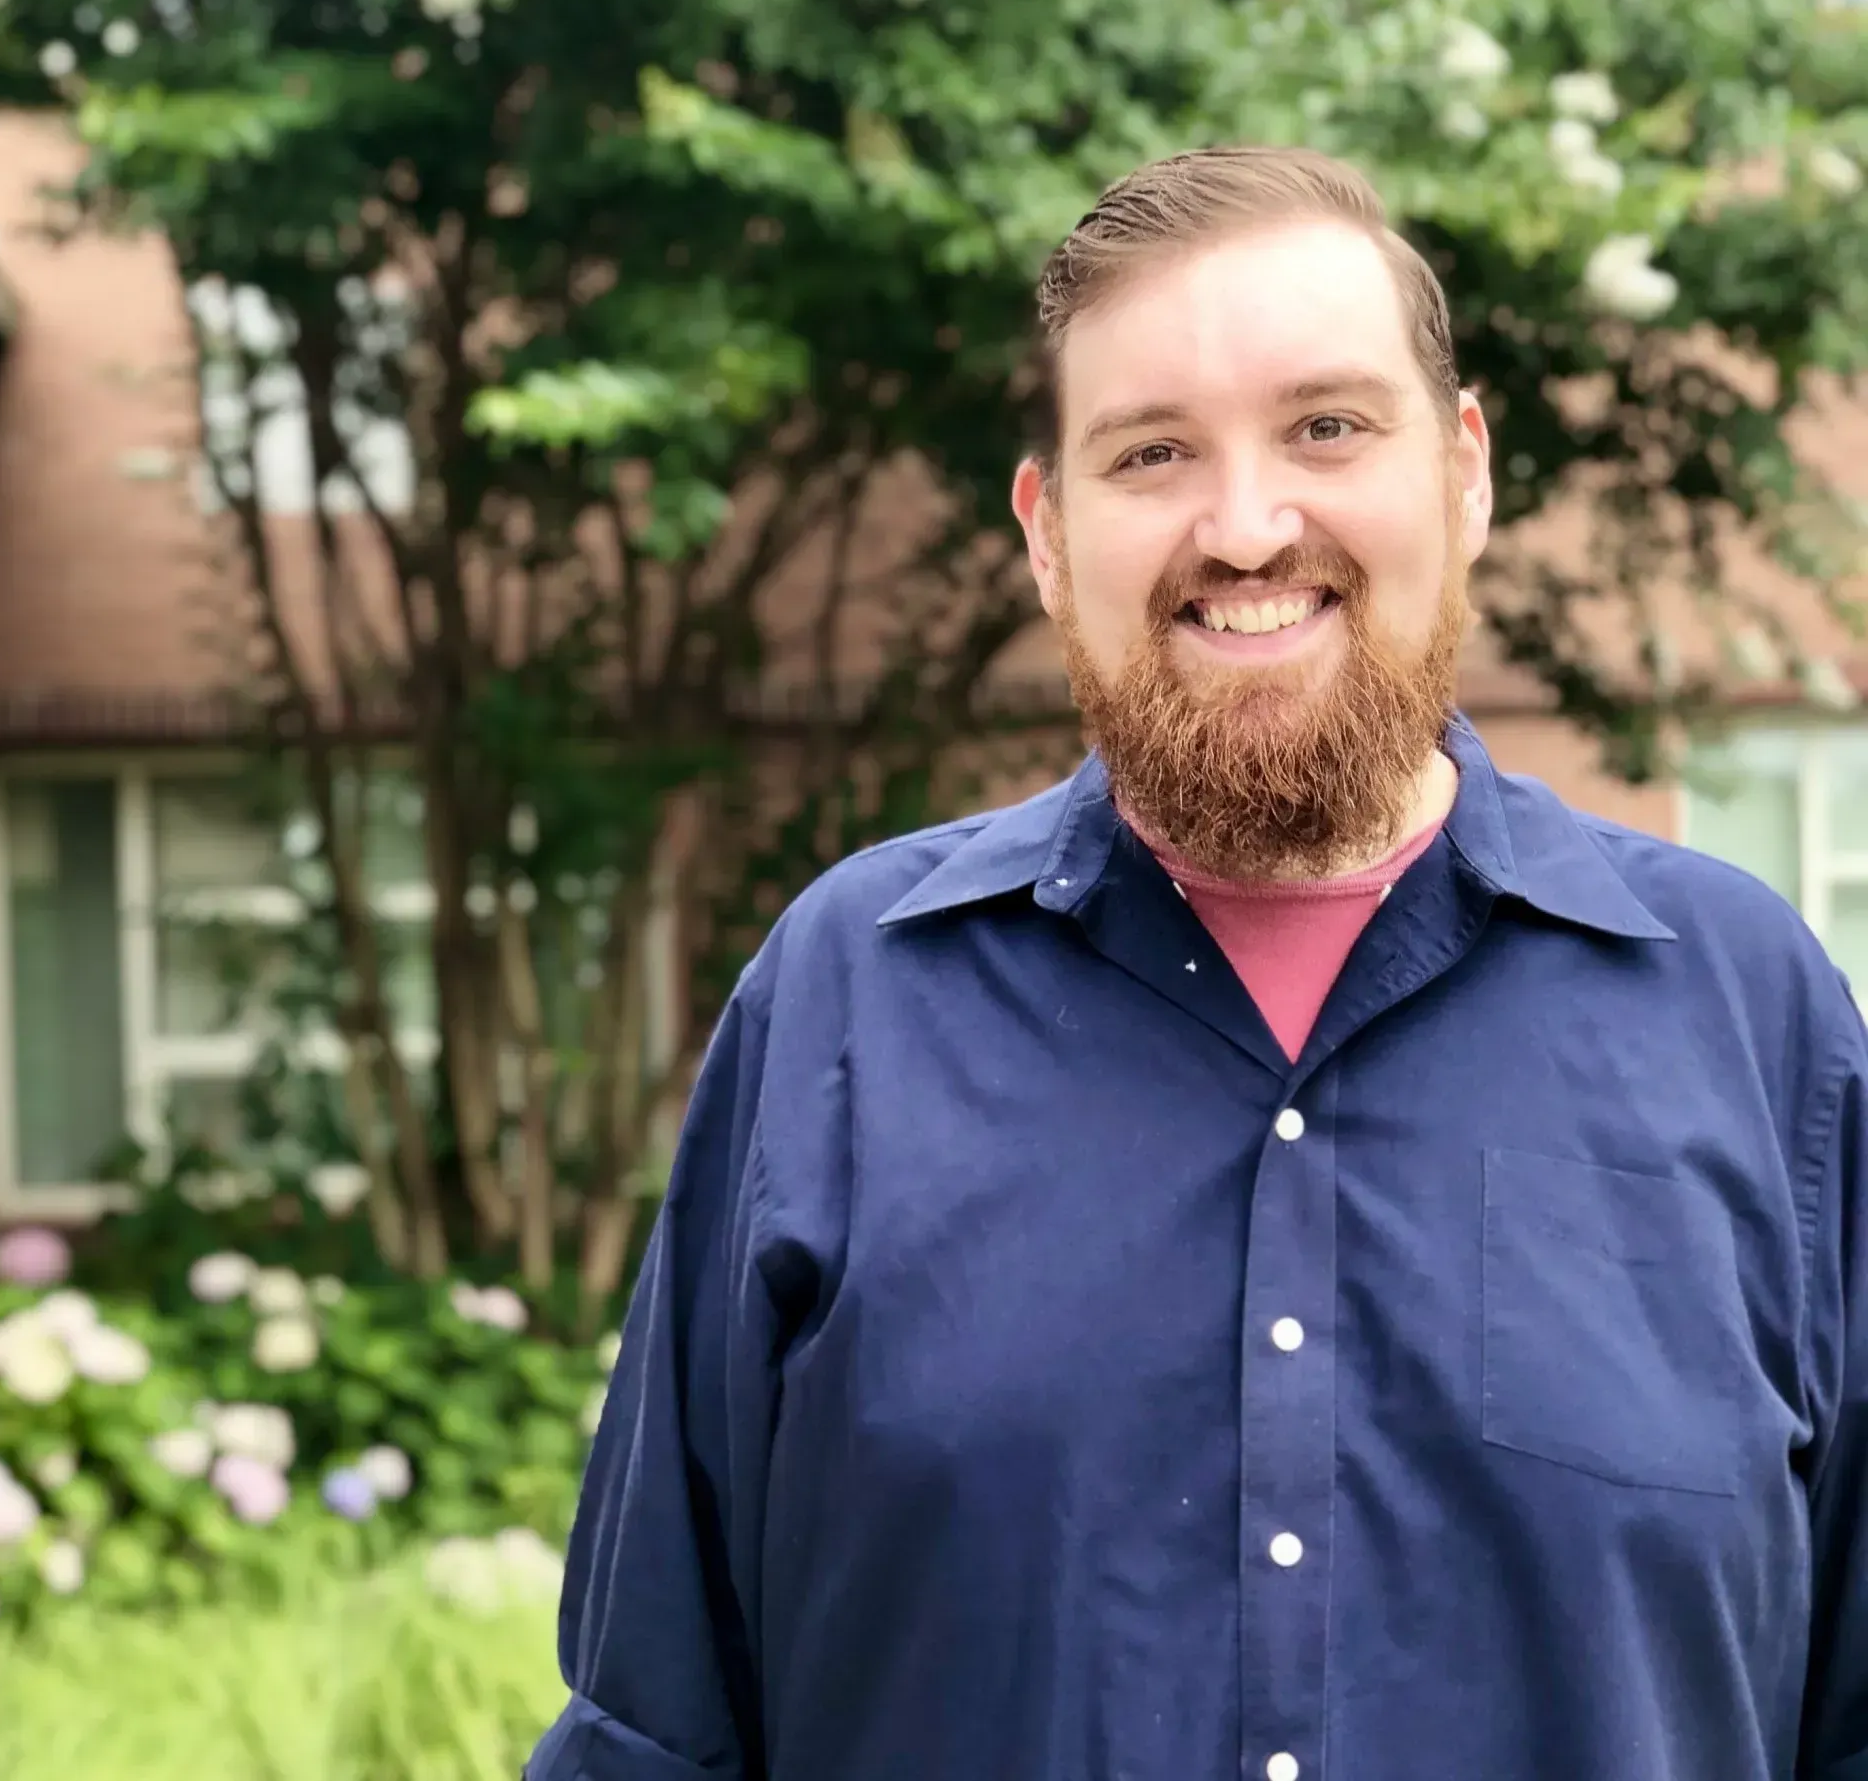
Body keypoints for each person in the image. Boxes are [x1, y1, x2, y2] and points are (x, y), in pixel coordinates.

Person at [524, 147, 1868, 1781]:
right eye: (1153, 452)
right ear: (1047, 533)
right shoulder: (843, 1007)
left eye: (1328, 427)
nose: (1245, 528)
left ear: (1465, 475)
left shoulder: (1750, 1018)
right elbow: (655, 1735)